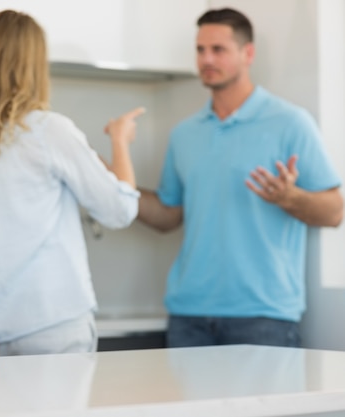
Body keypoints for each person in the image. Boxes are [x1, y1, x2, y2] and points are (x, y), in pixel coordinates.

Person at [0, 9, 143, 356]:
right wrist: (120, 140)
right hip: (54, 327)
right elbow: (120, 209)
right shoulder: (47, 130)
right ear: (34, 64)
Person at [136, 8, 343, 347]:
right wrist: (114, 187)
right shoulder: (184, 134)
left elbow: (334, 211)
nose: (206, 59)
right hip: (189, 316)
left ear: (248, 53)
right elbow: (168, 215)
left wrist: (291, 198)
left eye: (218, 49)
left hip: (264, 317)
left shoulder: (290, 122)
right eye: (200, 49)